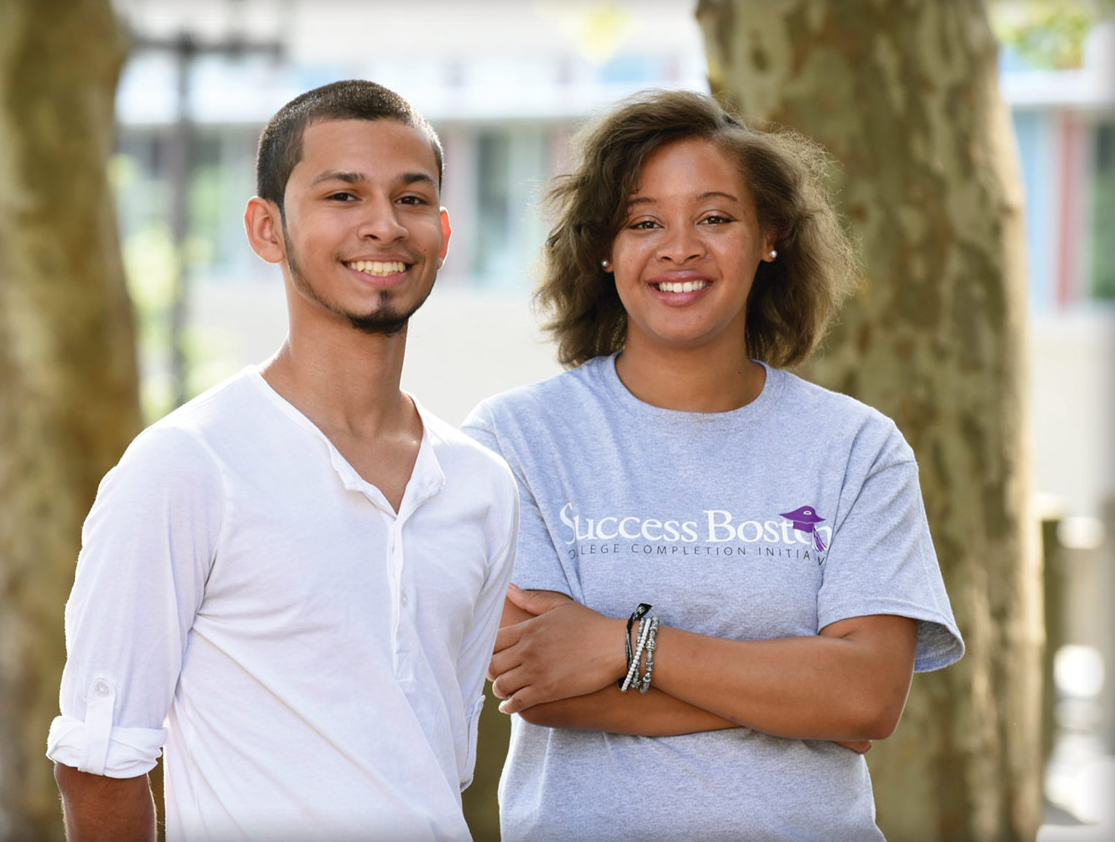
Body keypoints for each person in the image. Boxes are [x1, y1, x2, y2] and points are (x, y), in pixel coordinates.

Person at [462, 88, 964, 841]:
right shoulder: (515, 439)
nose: (680, 249)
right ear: (604, 247)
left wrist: (625, 647)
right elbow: (537, 686)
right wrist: (800, 699)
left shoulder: (859, 448)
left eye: (716, 218)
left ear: (771, 236)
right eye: (644, 222)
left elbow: (868, 700)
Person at [47, 80, 519, 841]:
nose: (383, 226)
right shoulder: (186, 467)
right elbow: (99, 763)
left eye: (411, 199)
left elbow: (440, 762)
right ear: (267, 230)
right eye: (342, 196)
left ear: (443, 230)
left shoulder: (481, 486)